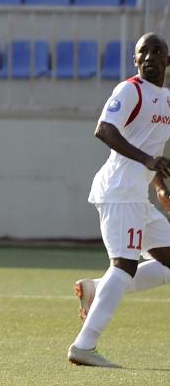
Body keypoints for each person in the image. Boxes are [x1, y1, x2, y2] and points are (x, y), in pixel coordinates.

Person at [67, 32, 170, 368]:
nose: (150, 56)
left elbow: (151, 145)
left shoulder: (166, 98)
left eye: (158, 51)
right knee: (123, 265)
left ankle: (97, 289)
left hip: (136, 195)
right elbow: (104, 129)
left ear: (167, 61)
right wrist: (147, 161)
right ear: (135, 60)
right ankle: (84, 346)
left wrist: (158, 183)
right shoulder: (130, 90)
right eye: (144, 52)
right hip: (118, 192)